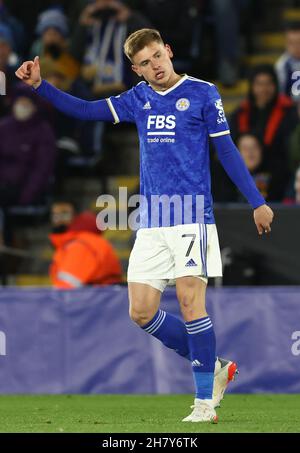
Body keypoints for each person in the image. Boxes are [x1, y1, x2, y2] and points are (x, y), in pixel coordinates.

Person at [16, 28, 274, 423]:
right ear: (136, 71)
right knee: (141, 312)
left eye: (157, 56)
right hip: (152, 222)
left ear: (168, 51)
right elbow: (86, 110)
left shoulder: (203, 93)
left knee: (191, 303)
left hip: (191, 215)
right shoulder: (139, 99)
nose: (155, 66)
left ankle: (204, 403)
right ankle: (215, 365)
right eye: (145, 63)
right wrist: (40, 87)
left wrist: (257, 201)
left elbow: (226, 149)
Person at [230, 64, 298, 201]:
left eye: (268, 84)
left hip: (279, 174)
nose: (264, 89)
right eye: (259, 84)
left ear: (275, 85)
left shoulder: (288, 111)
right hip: (244, 170)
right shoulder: (241, 113)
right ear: (252, 86)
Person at [50, 200, 122, 288]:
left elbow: (65, 291)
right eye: (55, 215)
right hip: (101, 297)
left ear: (76, 217)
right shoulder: (83, 241)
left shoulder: (80, 246)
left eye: (64, 214)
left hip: (96, 299)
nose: (59, 219)